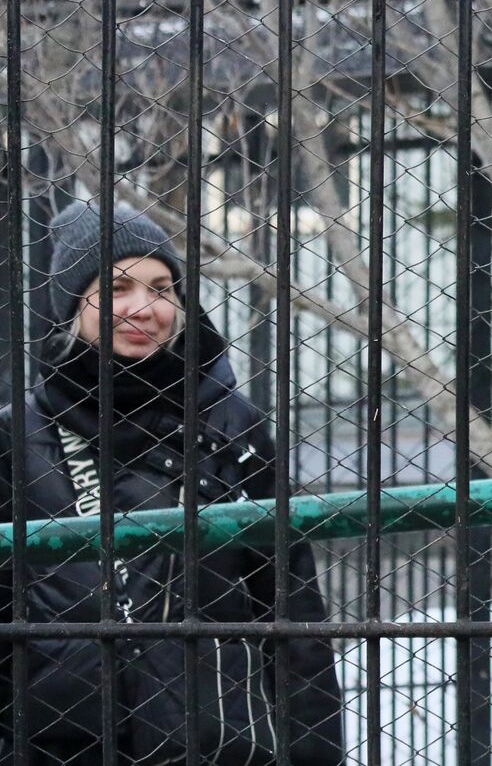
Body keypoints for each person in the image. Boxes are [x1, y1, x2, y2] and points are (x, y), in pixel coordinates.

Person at [0, 201, 344, 765]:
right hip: (57, 746)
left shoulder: (235, 424)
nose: (144, 308)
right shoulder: (18, 436)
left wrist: (314, 752)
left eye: (161, 288)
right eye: (116, 287)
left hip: (214, 745)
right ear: (70, 304)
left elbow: (292, 613)